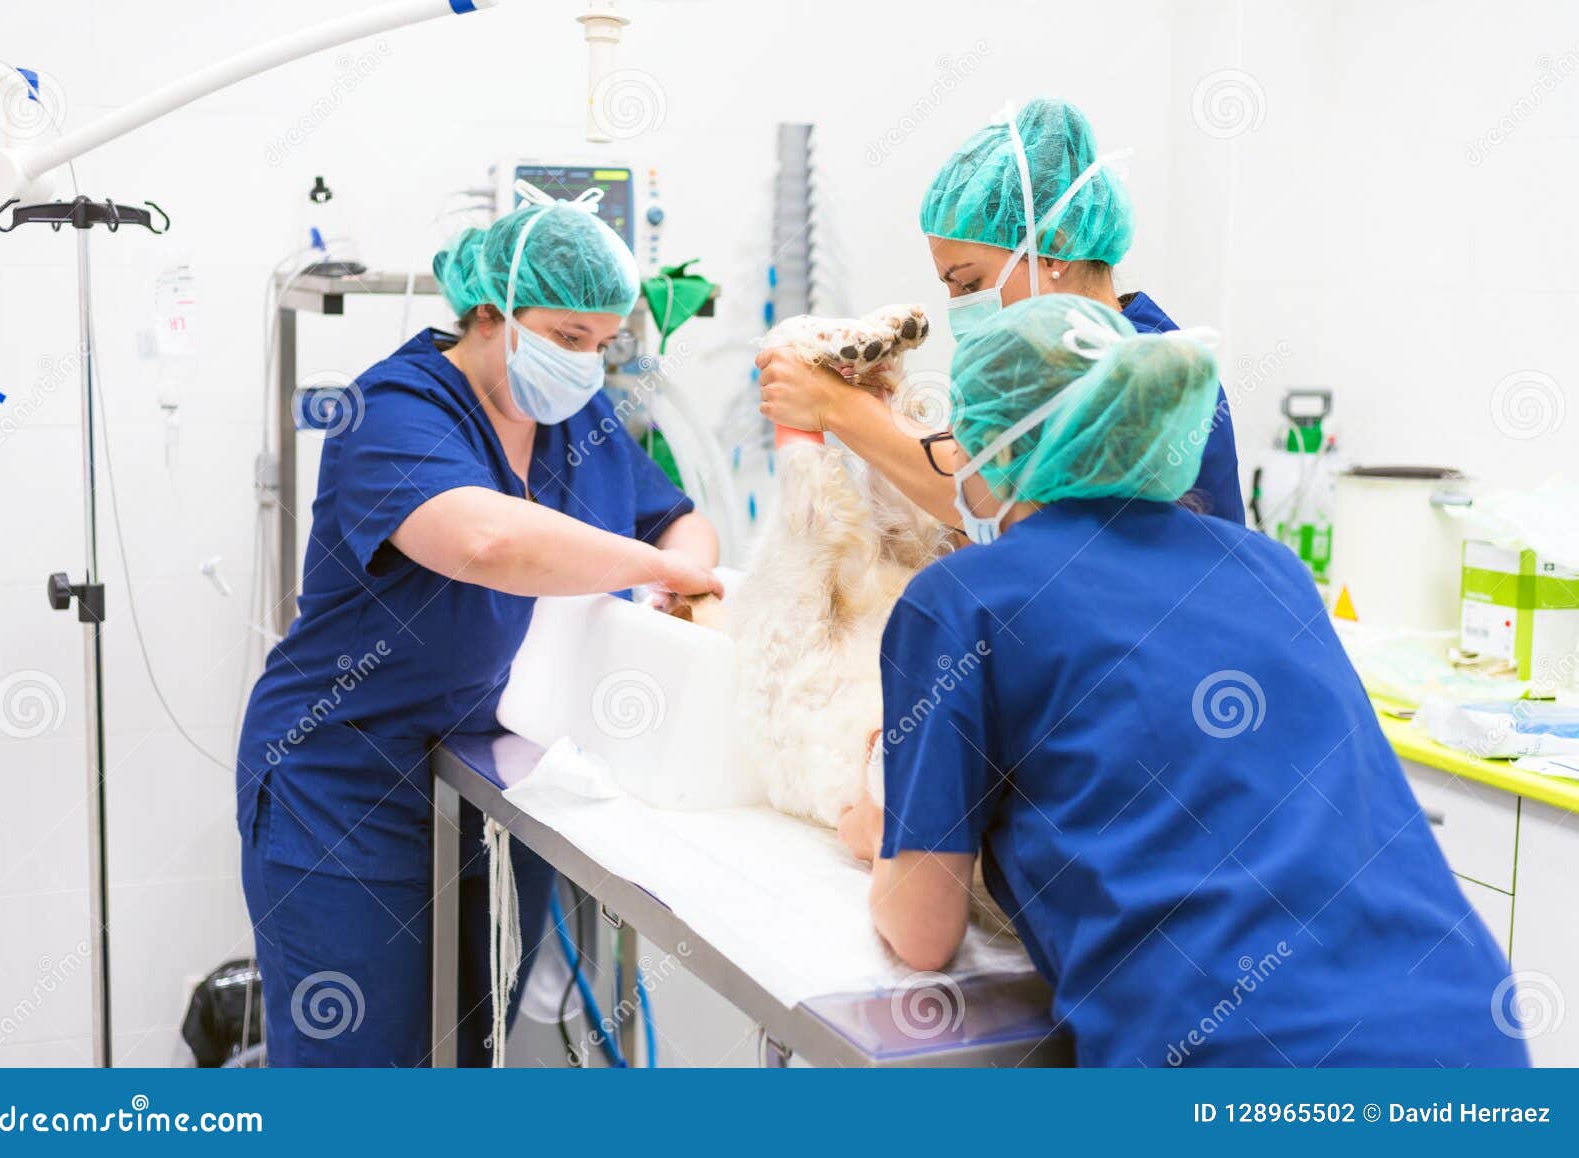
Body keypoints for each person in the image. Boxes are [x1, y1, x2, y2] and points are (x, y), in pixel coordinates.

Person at [837, 294, 1527, 1067]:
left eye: (957, 447)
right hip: (1466, 1032)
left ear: (996, 446)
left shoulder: (963, 599)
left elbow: (921, 933)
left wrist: (880, 827)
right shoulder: (1271, 569)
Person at [236, 196, 721, 1066]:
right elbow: (483, 541)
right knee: (357, 1075)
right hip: (348, 790)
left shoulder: (578, 422)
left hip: (495, 787)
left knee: (472, 1055)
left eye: (603, 344)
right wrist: (654, 568)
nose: (586, 363)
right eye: (567, 337)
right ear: (491, 313)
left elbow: (677, 520)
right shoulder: (393, 407)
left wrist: (677, 589)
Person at [756, 97, 1245, 526]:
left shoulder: (1142, 370)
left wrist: (837, 407)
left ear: (1054, 248)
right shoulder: (1042, 365)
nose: (961, 308)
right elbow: (981, 475)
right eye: (950, 287)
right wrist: (885, 412)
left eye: (970, 283)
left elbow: (994, 498)